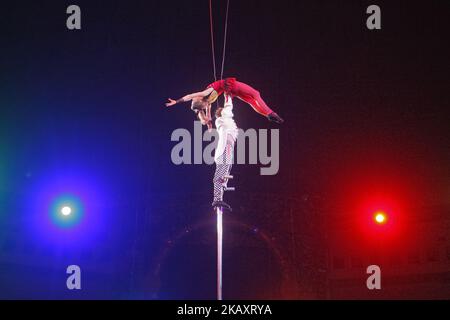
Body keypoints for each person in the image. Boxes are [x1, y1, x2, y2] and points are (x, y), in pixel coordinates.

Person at [165, 77, 284, 124]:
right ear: (199, 100)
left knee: (250, 101)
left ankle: (267, 115)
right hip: (231, 86)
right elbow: (190, 95)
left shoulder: (207, 103)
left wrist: (209, 126)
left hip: (230, 93)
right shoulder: (204, 94)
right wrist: (177, 101)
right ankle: (269, 113)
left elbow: (207, 116)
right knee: (255, 94)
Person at [211, 94, 238, 211]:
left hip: (228, 150)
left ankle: (219, 198)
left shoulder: (227, 124)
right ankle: (217, 199)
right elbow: (228, 108)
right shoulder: (220, 120)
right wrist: (228, 96)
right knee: (221, 174)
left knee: (225, 174)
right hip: (224, 150)